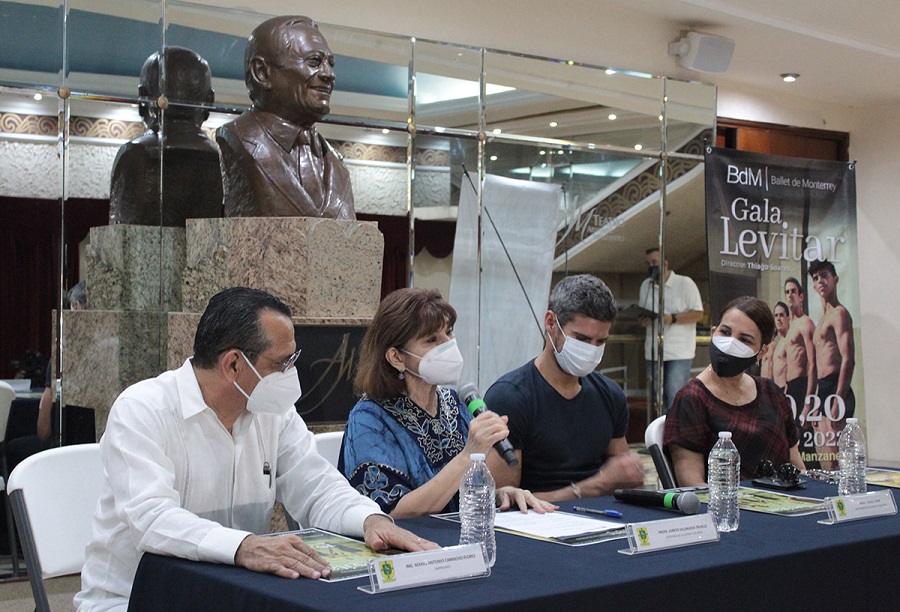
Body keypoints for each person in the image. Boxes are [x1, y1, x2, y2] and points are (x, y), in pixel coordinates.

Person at [75, 287, 434, 611]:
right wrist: (244, 546)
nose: (292, 373)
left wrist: (369, 518)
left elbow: (317, 487)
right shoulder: (143, 409)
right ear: (233, 364)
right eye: (282, 363)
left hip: (237, 595)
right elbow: (151, 519)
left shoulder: (272, 413)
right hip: (134, 598)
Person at [340, 288, 555, 518]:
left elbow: (460, 493)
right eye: (431, 339)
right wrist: (467, 455)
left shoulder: (453, 403)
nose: (448, 345)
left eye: (449, 333)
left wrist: (501, 495)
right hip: (404, 547)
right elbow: (392, 513)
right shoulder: (370, 419)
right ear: (397, 357)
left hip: (457, 541)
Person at [483, 274, 645, 502]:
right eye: (582, 339)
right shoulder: (510, 398)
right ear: (551, 323)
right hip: (537, 525)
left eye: (601, 342)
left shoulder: (609, 395)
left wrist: (628, 475)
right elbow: (503, 502)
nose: (592, 350)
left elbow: (622, 480)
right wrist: (590, 488)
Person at [217, 15, 355, 219]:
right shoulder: (241, 140)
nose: (329, 74)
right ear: (262, 72)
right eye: (314, 62)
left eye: (330, 63)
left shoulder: (335, 162)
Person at [663, 296, 805, 486]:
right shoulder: (692, 398)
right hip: (729, 509)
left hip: (786, 505)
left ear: (761, 353)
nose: (730, 344)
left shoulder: (771, 393)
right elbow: (692, 485)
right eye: (725, 332)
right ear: (714, 332)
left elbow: (797, 466)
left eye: (745, 340)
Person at [109, 46, 223, 227]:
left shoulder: (134, 155)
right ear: (209, 101)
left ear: (143, 98)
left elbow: (120, 235)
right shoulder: (223, 159)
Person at [637, 247, 704, 413]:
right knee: (657, 397)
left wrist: (672, 319)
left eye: (655, 262)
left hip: (678, 351)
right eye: (648, 263)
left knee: (674, 395)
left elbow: (698, 313)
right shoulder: (646, 285)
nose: (651, 266)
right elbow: (644, 310)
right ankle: (659, 434)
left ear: (665, 263)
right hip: (653, 349)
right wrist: (644, 319)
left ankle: (675, 434)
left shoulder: (684, 283)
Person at [808, 259, 856, 452]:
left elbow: (848, 359)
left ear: (835, 279)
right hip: (823, 389)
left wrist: (838, 399)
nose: (820, 281)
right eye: (816, 278)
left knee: (838, 461)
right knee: (827, 460)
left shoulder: (840, 313)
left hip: (837, 388)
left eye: (825, 276)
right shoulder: (821, 320)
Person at [761, 301, 789, 390]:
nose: (778, 318)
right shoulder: (776, 344)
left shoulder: (788, 341)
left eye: (781, 315)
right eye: (776, 315)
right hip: (774, 389)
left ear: (788, 318)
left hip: (784, 388)